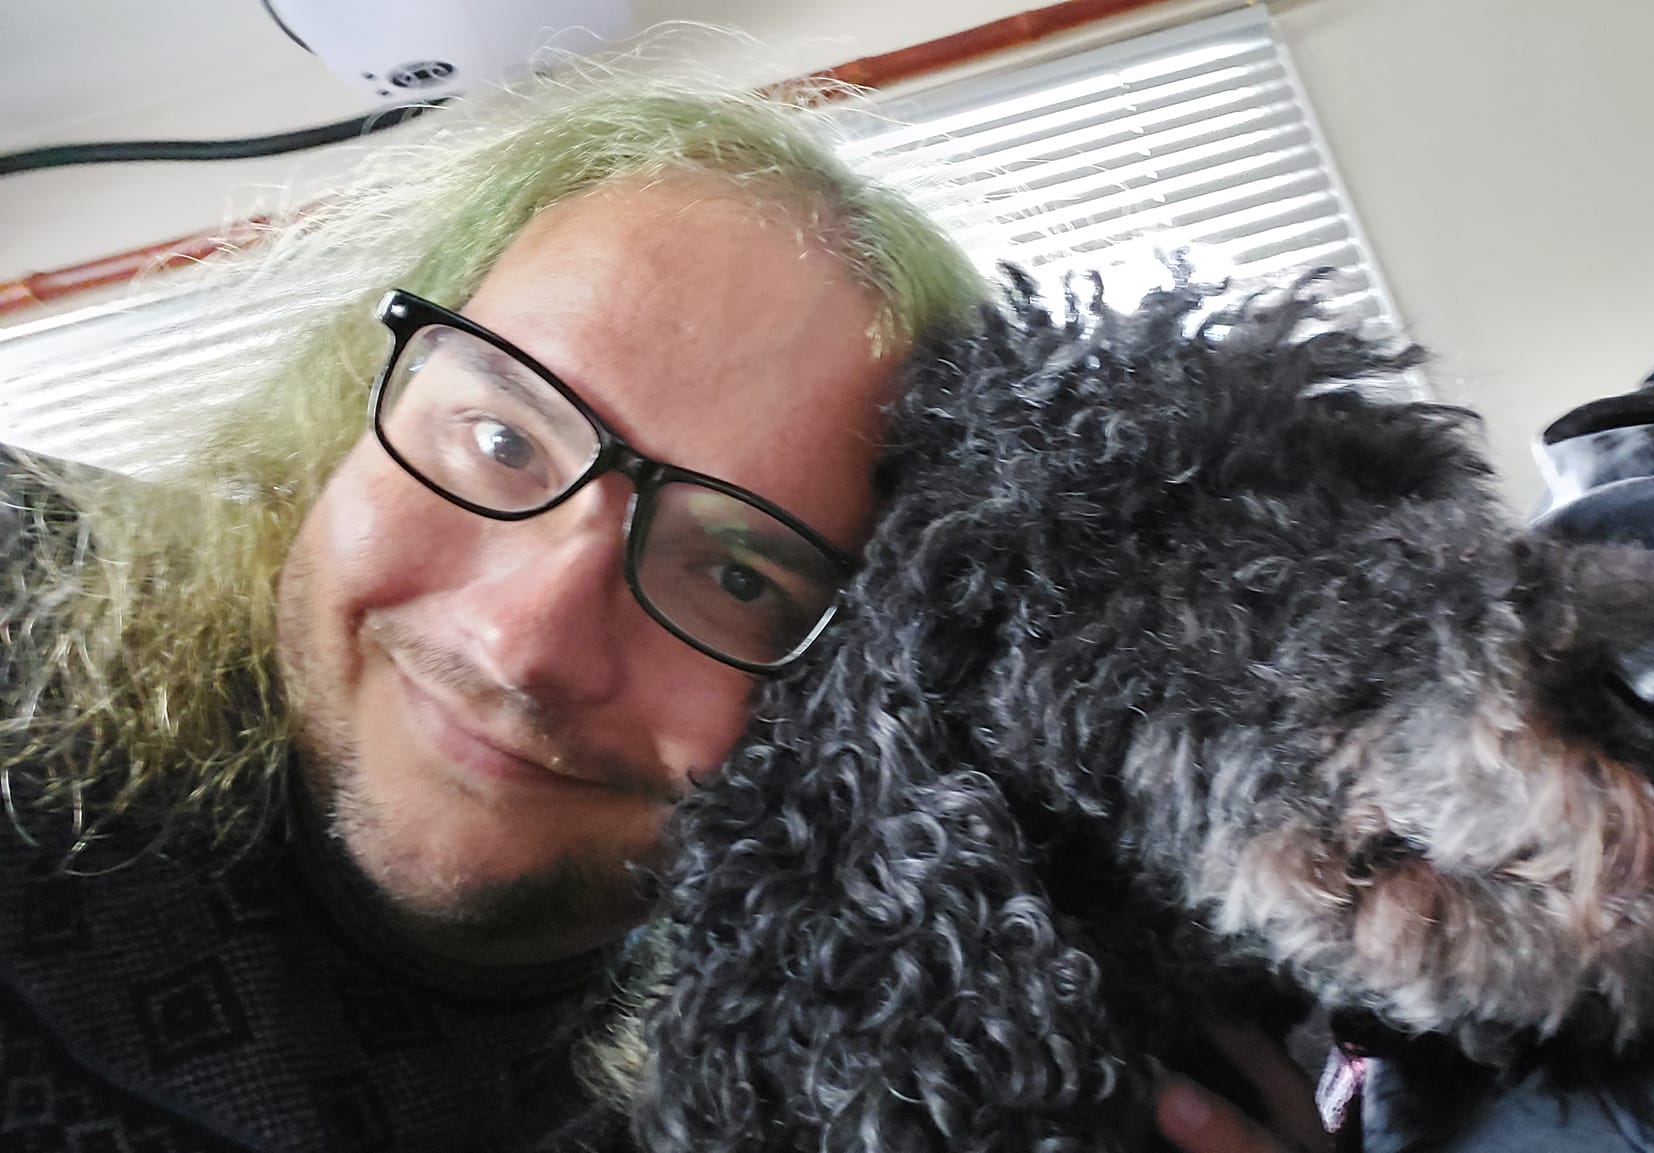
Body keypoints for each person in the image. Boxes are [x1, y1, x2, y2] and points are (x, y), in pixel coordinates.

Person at [0, 65, 1333, 1153]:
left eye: (738, 570)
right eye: (504, 440)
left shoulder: (915, 1093)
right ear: (358, 396)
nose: (528, 642)